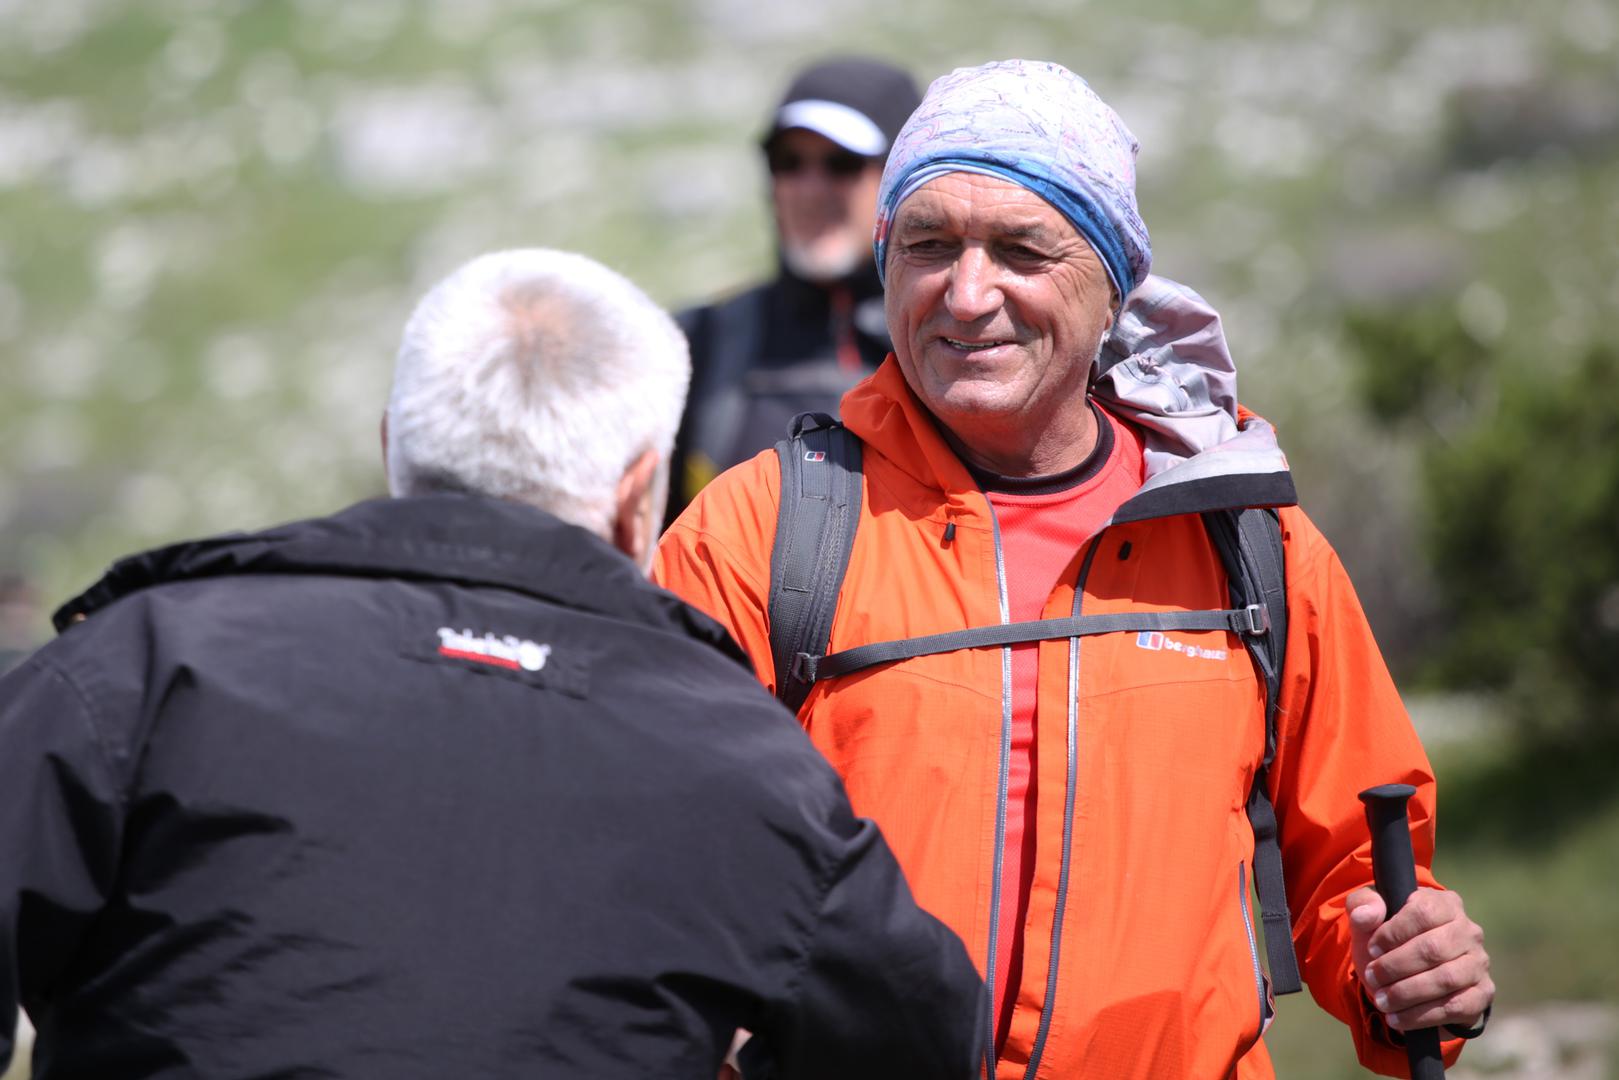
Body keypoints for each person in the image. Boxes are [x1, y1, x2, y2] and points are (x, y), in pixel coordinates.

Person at [655, 60, 1494, 1079]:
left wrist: (1405, 971)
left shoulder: (1245, 537)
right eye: (927, 245)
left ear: (1111, 286)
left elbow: (1357, 880)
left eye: (1021, 250)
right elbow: (649, 853)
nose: (968, 294)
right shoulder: (756, 533)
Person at [0, 249, 984, 1079]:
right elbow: (928, 1037)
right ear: (637, 494)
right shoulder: (745, 760)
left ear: (393, 446)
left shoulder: (138, 666)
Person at [667, 55, 922, 523]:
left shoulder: (955, 345)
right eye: (789, 162)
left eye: (842, 164)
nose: (810, 189)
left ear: (902, 178)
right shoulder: (696, 343)